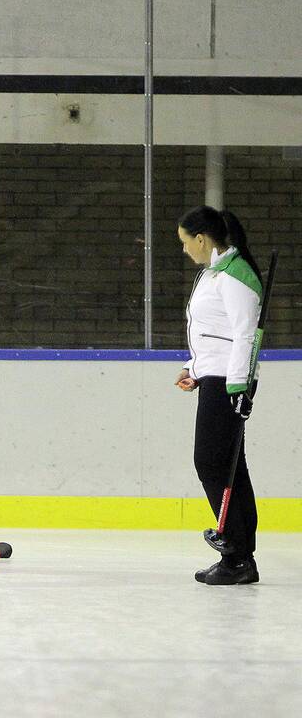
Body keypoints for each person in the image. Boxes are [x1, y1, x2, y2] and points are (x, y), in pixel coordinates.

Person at [175, 205, 263, 586]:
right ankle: (240, 556)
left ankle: (236, 553)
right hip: (216, 377)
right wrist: (194, 369)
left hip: (230, 382)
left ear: (201, 238)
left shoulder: (235, 276)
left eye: (185, 242)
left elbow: (246, 336)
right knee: (227, 467)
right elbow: (214, 335)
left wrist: (239, 386)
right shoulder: (214, 274)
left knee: (211, 464)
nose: (184, 250)